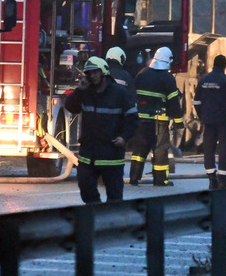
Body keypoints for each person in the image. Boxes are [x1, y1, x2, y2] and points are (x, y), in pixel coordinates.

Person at [64, 57, 138, 204]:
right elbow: (71, 107)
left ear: (104, 72)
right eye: (88, 73)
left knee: (114, 196)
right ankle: (96, 213)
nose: (91, 76)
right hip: (89, 154)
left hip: (111, 154)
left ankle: (110, 222)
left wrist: (124, 137)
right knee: (85, 188)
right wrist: (79, 90)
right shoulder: (85, 93)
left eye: (95, 72)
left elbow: (133, 119)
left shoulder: (119, 93)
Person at [129, 47, 184, 187]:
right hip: (159, 121)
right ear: (167, 61)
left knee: (139, 149)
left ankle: (134, 178)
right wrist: (179, 122)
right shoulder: (168, 78)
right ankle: (160, 180)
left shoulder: (142, 74)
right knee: (160, 150)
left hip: (141, 119)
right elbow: (174, 103)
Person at [193, 54, 226, 189]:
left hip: (208, 120)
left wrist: (202, 116)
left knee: (209, 148)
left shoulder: (203, 80)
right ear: (224, 66)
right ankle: (223, 180)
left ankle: (212, 179)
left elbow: (196, 102)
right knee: (224, 149)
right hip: (224, 121)